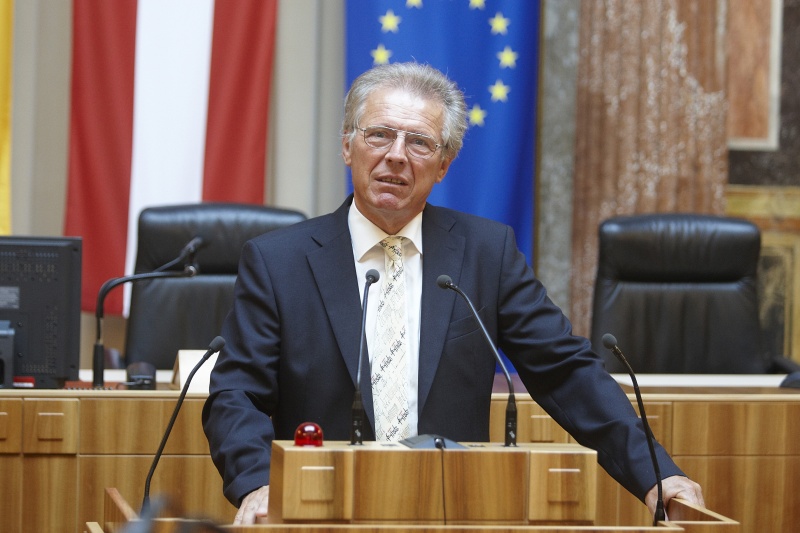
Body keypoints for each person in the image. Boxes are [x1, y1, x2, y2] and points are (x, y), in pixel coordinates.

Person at [202, 61, 704, 525]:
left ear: (444, 164)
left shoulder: (487, 253)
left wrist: (657, 473)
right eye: (378, 135)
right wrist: (258, 484)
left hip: (453, 508)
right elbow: (236, 393)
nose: (395, 156)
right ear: (347, 146)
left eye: (419, 143)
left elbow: (567, 373)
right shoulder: (279, 261)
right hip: (323, 509)